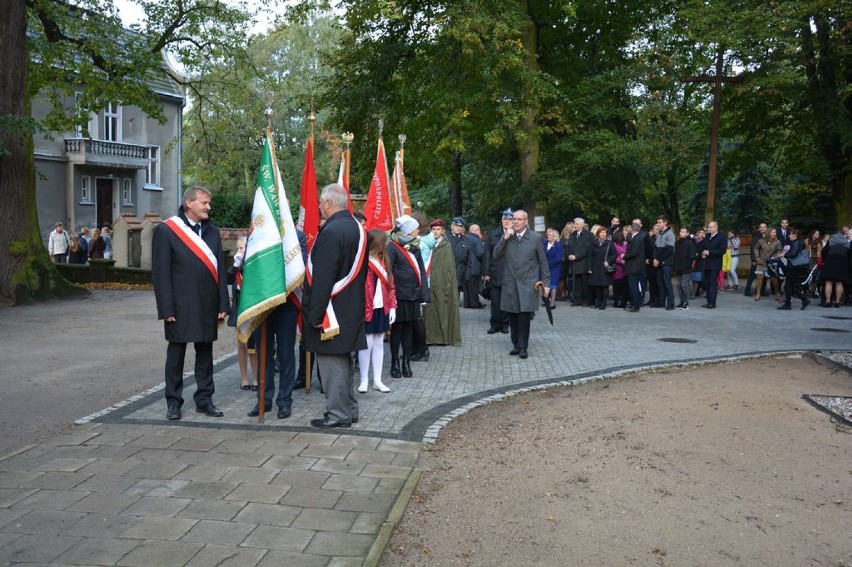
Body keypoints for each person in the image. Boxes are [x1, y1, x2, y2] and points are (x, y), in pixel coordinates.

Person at [152, 186, 229, 421]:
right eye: (204, 203)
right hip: (180, 306)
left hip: (207, 303)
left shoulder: (213, 232)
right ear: (189, 203)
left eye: (209, 203)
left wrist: (222, 304)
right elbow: (161, 273)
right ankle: (173, 402)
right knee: (176, 355)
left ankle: (204, 400)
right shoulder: (167, 230)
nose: (208, 207)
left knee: (205, 354)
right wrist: (166, 308)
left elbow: (220, 272)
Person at [303, 183, 368, 429]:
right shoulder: (356, 228)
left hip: (332, 310)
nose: (319, 206)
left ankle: (338, 414)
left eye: (320, 203)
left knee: (331, 363)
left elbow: (323, 279)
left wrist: (315, 314)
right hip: (351, 306)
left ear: (328, 203)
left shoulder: (331, 232)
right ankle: (349, 410)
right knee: (344, 361)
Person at [246, 229, 308, 420]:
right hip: (262, 303)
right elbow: (247, 266)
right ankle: (264, 399)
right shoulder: (257, 233)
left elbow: (300, 267)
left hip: (286, 304)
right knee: (263, 353)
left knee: (286, 353)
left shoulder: (297, 236)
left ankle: (284, 401)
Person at [492, 209, 549, 359]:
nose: (515, 222)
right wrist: (504, 238)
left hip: (528, 285)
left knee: (524, 317)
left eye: (518, 219)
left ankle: (523, 347)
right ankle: (515, 345)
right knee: (513, 317)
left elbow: (543, 263)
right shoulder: (508, 237)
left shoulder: (535, 238)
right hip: (510, 284)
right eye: (513, 219)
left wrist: (547, 283)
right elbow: (495, 255)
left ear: (525, 221)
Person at [387, 214, 430, 378]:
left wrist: (424, 295)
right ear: (409, 231)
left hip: (413, 295)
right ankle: (394, 363)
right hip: (398, 296)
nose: (418, 231)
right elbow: (388, 272)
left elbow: (421, 272)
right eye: (416, 229)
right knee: (397, 330)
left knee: (408, 330)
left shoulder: (415, 247)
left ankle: (406, 361)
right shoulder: (392, 247)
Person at [358, 229, 396, 394]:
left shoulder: (385, 261)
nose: (385, 245)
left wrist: (393, 306)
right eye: (383, 242)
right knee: (366, 343)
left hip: (382, 307)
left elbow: (391, 285)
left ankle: (377, 380)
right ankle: (364, 379)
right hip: (367, 308)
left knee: (379, 342)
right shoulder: (362, 262)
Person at [422, 219, 462, 346]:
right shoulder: (428, 244)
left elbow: (449, 266)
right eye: (433, 229)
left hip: (442, 282)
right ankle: (429, 337)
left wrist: (448, 284)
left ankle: (442, 337)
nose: (435, 232)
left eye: (438, 229)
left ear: (443, 231)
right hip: (429, 281)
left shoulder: (446, 245)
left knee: (442, 309)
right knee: (429, 310)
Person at [226, 237, 257, 392]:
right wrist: (235, 266)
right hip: (239, 307)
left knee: (254, 345)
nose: (240, 251)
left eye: (243, 248)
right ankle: (244, 378)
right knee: (242, 344)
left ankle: (256, 378)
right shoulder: (236, 266)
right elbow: (228, 279)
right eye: (238, 248)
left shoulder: (253, 265)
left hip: (252, 306)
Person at [483, 209, 514, 334]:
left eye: (509, 220)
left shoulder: (516, 234)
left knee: (507, 300)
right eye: (505, 219)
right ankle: (495, 324)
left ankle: (505, 324)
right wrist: (486, 272)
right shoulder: (493, 234)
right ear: (501, 220)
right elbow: (487, 254)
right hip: (496, 271)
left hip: (510, 272)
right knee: (495, 301)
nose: (507, 222)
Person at [778, 228, 810, 310]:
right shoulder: (797, 242)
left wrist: (784, 254)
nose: (789, 235)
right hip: (797, 267)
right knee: (793, 286)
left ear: (795, 235)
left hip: (794, 267)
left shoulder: (796, 243)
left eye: (790, 234)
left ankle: (788, 304)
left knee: (787, 286)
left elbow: (793, 254)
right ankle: (804, 300)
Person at [697, 221, 727, 308]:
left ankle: (712, 303)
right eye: (708, 227)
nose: (708, 229)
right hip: (706, 264)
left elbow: (722, 250)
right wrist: (702, 252)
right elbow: (701, 247)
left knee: (712, 283)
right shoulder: (707, 237)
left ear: (716, 228)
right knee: (706, 282)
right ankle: (708, 301)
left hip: (715, 264)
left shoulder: (721, 237)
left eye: (710, 227)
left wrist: (709, 252)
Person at [567, 217, 593, 306]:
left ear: (582, 224)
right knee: (576, 283)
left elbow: (587, 249)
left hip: (583, 263)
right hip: (574, 263)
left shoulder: (588, 235)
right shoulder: (573, 234)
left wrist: (576, 256)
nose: (575, 225)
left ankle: (586, 300)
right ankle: (577, 300)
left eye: (577, 224)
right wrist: (569, 255)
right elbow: (568, 246)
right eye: (575, 224)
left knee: (585, 284)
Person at [588, 226, 615, 309]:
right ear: (598, 234)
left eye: (605, 233)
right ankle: (598, 301)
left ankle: (604, 302)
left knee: (604, 285)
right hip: (595, 266)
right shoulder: (593, 243)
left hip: (604, 267)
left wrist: (608, 261)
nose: (603, 234)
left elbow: (614, 254)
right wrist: (589, 267)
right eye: (602, 232)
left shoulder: (610, 243)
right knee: (597, 285)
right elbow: (590, 256)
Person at [821, 230, 849, 308]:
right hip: (842, 263)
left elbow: (823, 251)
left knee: (828, 282)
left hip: (830, 262)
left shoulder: (830, 241)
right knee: (839, 283)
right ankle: (837, 302)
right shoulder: (846, 243)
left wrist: (824, 260)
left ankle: (828, 302)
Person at [754, 227, 782, 302]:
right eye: (774, 232)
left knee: (774, 279)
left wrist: (775, 257)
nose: (775, 234)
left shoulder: (777, 242)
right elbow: (756, 248)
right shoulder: (761, 241)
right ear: (769, 233)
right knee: (759, 277)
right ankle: (758, 293)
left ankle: (777, 292)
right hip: (761, 262)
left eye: (775, 233)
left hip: (771, 263)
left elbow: (779, 251)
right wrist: (757, 258)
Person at [653, 216, 675, 310]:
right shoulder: (659, 234)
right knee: (659, 282)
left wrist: (658, 259)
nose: (658, 224)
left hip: (666, 262)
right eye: (657, 222)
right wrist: (654, 258)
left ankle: (671, 303)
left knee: (667, 282)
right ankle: (661, 301)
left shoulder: (670, 234)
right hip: (658, 261)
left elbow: (669, 250)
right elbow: (655, 248)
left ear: (665, 223)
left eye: (660, 222)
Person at [623, 220, 646, 312]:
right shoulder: (637, 238)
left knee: (634, 286)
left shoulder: (636, 239)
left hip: (634, 267)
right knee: (634, 286)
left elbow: (634, 252)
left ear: (632, 230)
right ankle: (634, 303)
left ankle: (636, 305)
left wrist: (624, 256)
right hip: (636, 266)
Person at [448, 217, 471, 306]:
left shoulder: (465, 240)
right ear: (452, 226)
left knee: (455, 303)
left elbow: (469, 259)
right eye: (456, 225)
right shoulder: (445, 237)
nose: (458, 228)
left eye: (460, 226)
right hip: (447, 272)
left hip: (459, 273)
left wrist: (467, 275)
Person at [463, 224, 486, 308]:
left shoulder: (464, 238)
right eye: (479, 230)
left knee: (467, 287)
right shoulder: (477, 240)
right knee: (474, 287)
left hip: (465, 267)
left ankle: (467, 303)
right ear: (475, 230)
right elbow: (481, 253)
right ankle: (475, 303)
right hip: (475, 267)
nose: (479, 232)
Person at [672, 227, 695, 310]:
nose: (681, 233)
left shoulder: (689, 242)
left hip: (686, 268)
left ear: (687, 233)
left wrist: (687, 264)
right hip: (678, 267)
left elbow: (692, 255)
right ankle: (682, 302)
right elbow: (676, 255)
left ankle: (686, 303)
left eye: (683, 232)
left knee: (684, 284)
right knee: (679, 285)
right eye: (681, 231)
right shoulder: (678, 242)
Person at [543, 228, 564, 309]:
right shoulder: (544, 244)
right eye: (548, 235)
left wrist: (547, 264)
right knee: (545, 284)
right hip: (545, 268)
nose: (548, 236)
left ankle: (552, 303)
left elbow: (558, 259)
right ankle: (546, 300)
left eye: (550, 235)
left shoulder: (559, 246)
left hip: (554, 268)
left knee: (553, 285)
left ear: (555, 237)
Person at [744, 223, 767, 296]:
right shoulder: (756, 237)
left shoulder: (768, 237)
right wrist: (753, 260)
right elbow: (753, 249)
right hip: (756, 260)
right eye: (761, 227)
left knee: (764, 276)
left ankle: (762, 292)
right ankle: (747, 291)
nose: (763, 228)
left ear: (766, 228)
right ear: (759, 229)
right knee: (752, 276)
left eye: (764, 227)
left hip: (765, 260)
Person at [611, 228, 629, 308]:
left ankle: (623, 302)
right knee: (617, 286)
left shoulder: (626, 244)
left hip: (626, 268)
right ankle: (616, 301)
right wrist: (621, 261)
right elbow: (613, 256)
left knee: (625, 286)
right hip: (618, 268)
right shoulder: (613, 245)